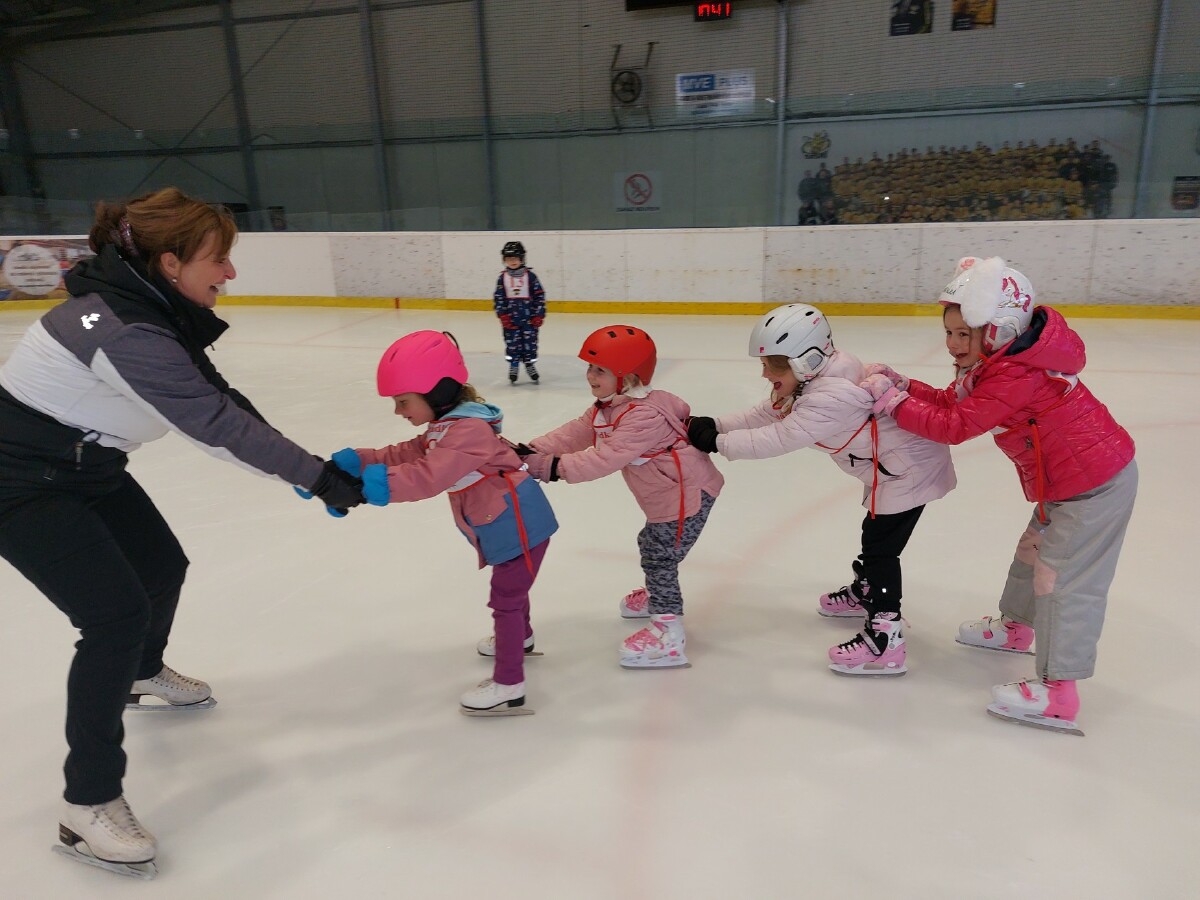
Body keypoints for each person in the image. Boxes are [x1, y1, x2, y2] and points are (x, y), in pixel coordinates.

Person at [0, 187, 364, 878]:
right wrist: (318, 479)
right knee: (113, 616)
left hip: (84, 464)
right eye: (218, 259)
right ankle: (88, 801)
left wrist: (310, 465)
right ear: (170, 263)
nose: (229, 272)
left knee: (162, 567)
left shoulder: (144, 305)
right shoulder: (127, 331)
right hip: (20, 484)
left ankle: (141, 673)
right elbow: (216, 429)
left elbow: (222, 398)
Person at [862, 256, 1137, 735]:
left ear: (998, 331)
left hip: (1094, 486)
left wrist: (894, 403)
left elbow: (955, 425)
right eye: (949, 332)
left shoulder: (1016, 374)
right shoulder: (1002, 363)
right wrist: (906, 387)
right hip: (1066, 482)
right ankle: (1016, 629)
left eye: (963, 334)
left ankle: (1059, 693)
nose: (952, 343)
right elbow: (951, 401)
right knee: (1032, 553)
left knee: (1061, 580)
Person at [687, 304, 955, 676]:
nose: (765, 373)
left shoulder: (831, 397)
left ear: (805, 361)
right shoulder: (814, 379)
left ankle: (886, 640)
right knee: (874, 534)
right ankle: (866, 590)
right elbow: (766, 413)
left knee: (880, 548)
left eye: (774, 365)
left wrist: (717, 442)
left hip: (909, 472)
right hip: (892, 467)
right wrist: (715, 423)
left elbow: (779, 437)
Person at [331, 330, 557, 716]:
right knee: (512, 591)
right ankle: (521, 638)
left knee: (505, 598)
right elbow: (406, 453)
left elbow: (427, 476)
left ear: (436, 391)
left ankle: (509, 684)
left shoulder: (468, 432)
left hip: (518, 524)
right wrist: (360, 461)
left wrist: (363, 489)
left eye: (403, 401)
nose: (398, 411)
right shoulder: (447, 426)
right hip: (501, 521)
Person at [514, 326, 723, 669]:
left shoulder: (643, 416)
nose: (590, 376)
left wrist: (547, 467)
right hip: (667, 493)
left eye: (600, 370)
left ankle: (668, 635)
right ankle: (658, 595)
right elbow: (575, 433)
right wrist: (530, 450)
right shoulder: (609, 407)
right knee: (651, 544)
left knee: (660, 557)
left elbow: (603, 459)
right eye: (590, 367)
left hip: (685, 496)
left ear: (629, 378)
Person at [493, 240, 546, 384]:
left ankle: (529, 364)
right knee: (512, 344)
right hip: (510, 321)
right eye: (509, 259)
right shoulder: (502, 278)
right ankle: (514, 365)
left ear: (522, 259)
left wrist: (538, 314)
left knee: (530, 343)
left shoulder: (530, 277)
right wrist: (503, 315)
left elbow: (539, 296)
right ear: (504, 260)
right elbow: (498, 298)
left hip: (529, 320)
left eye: (515, 258)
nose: (512, 262)